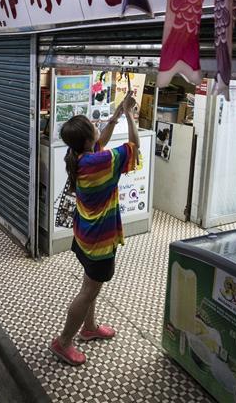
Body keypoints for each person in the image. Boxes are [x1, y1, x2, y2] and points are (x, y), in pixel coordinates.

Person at [49, 92, 140, 366]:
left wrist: (117, 114)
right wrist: (130, 116)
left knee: (90, 283)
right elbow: (133, 147)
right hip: (99, 240)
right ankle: (63, 341)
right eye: (93, 125)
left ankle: (89, 328)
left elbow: (101, 142)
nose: (96, 124)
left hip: (84, 234)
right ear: (87, 140)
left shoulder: (78, 156)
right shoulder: (98, 162)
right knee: (89, 290)